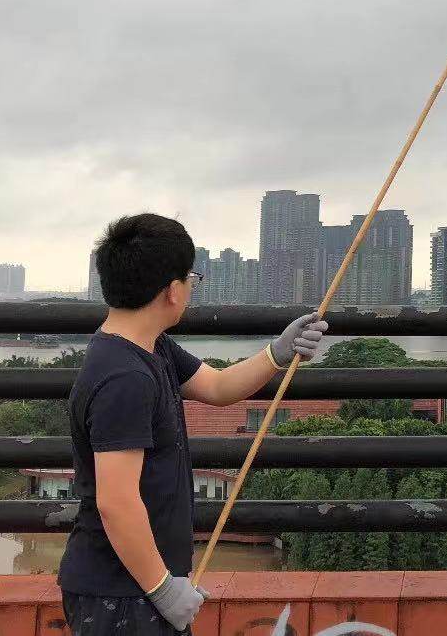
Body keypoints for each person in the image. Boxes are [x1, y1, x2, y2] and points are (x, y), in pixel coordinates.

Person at [58, 213, 330, 635]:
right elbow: (117, 502)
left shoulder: (152, 348)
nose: (191, 288)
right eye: (191, 279)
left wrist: (278, 353)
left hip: (137, 586)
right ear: (171, 290)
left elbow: (218, 387)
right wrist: (164, 589)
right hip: (120, 593)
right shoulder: (125, 377)